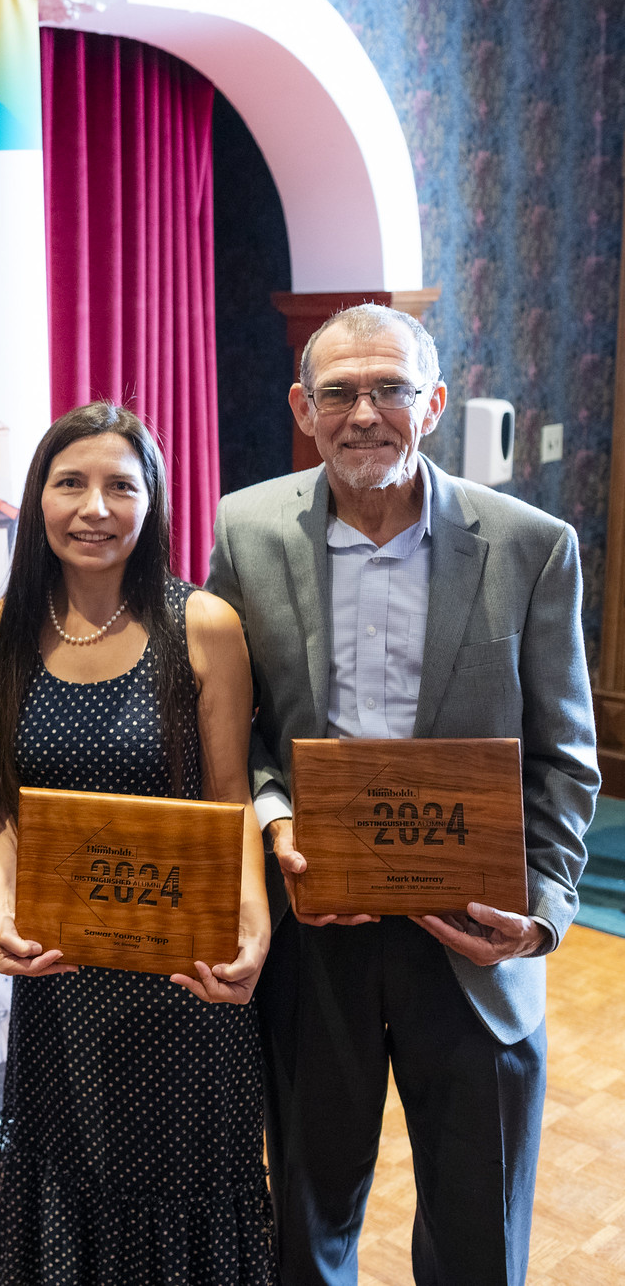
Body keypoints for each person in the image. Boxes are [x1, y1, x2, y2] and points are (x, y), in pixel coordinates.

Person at [207, 303, 599, 1284]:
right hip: (313, 931)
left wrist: (541, 914)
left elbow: (563, 757)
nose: (362, 413)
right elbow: (231, 723)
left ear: (430, 402)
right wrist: (273, 815)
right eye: (336, 393)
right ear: (302, 408)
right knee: (303, 1225)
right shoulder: (243, 530)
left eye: (388, 389)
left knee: (476, 1240)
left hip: (471, 944)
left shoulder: (529, 547)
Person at [0, 402, 273, 1283]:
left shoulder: (204, 626)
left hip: (185, 981)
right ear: (38, 500)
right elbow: (1, 810)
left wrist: (251, 926)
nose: (94, 507)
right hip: (61, 979)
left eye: (120, 485)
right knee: (68, 1188)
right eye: (70, 483)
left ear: (153, 505)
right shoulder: (0, 636)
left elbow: (229, 800)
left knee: (189, 1195)